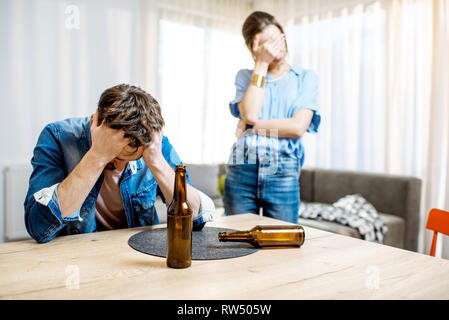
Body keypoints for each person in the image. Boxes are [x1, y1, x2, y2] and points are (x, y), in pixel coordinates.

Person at [24, 84, 215, 243]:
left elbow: (196, 218)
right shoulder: (57, 137)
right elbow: (39, 227)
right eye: (113, 158)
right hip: (74, 262)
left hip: (135, 253)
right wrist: (98, 156)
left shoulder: (155, 144)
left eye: (127, 159)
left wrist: (156, 162)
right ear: (94, 123)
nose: (117, 167)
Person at [223, 11, 321, 223]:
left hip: (283, 168)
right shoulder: (245, 77)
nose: (275, 47)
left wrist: (249, 127)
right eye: (266, 43)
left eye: (278, 39)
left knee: (282, 241)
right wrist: (261, 64)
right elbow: (250, 113)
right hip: (242, 164)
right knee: (236, 239)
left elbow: (297, 127)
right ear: (254, 47)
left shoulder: (305, 78)